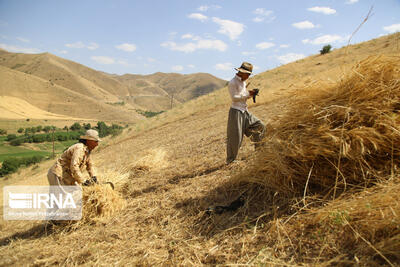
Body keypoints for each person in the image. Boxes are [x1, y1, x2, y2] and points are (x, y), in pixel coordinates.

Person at [226, 62, 266, 164]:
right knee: (235, 137)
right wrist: (248, 93)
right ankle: (231, 160)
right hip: (236, 112)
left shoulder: (243, 82)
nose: (248, 76)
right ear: (242, 72)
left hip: (245, 111)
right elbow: (234, 98)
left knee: (260, 126)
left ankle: (260, 152)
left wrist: (250, 94)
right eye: (247, 74)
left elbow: (242, 96)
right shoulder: (232, 83)